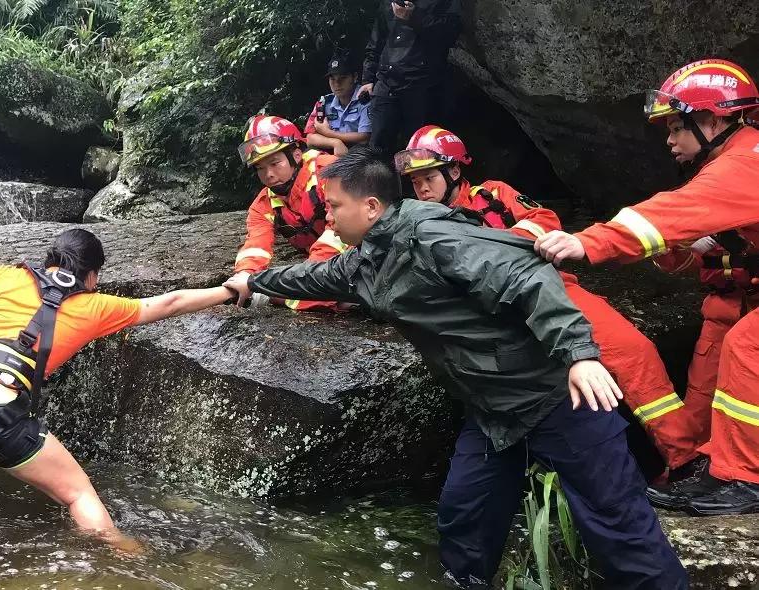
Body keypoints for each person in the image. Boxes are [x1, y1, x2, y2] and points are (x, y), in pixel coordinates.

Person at [225, 148, 688, 589]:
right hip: (490, 411)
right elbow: (314, 276)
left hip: (554, 398)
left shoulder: (435, 234)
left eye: (334, 205)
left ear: (369, 207)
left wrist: (580, 354)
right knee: (465, 515)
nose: (327, 216)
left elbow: (528, 275)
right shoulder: (368, 258)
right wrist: (254, 280)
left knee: (616, 523)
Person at [0, 228, 238, 547]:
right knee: (78, 494)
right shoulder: (95, 305)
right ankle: (125, 559)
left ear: (49, 260)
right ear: (91, 275)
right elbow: (169, 303)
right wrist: (230, 290)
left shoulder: (7, 276)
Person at [394, 124, 700, 480]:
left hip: (550, 291)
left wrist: (503, 248)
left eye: (428, 177)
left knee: (634, 352)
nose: (422, 188)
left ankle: (685, 460)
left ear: (455, 170)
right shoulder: (416, 219)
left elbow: (544, 219)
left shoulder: (491, 195)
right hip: (489, 315)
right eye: (415, 182)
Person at [533, 58, 759, 516]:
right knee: (712, 367)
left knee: (747, 345)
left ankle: (744, 480)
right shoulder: (736, 164)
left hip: (745, 305)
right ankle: (705, 465)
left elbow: (668, 214)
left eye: (677, 126)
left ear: (714, 118)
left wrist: (586, 241)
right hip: (738, 297)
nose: (669, 140)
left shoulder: (744, 164)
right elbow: (695, 237)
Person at [234, 114, 348, 311]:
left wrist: (305, 277)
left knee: (324, 296)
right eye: (260, 168)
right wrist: (244, 276)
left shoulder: (330, 172)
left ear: (296, 155)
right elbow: (256, 245)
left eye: (275, 163)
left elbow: (341, 232)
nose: (268, 174)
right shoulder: (263, 204)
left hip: (356, 252)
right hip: (320, 265)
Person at [359, 0, 462, 157]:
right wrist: (368, 79)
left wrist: (414, 17)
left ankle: (416, 181)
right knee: (377, 149)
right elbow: (376, 41)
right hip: (386, 82)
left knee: (420, 151)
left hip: (423, 87)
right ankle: (377, 181)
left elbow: (449, 34)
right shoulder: (388, 3)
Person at [304, 53, 372, 155]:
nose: (337, 83)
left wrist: (327, 133)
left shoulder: (365, 99)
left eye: (343, 78)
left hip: (361, 157)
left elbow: (364, 138)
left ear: (355, 77)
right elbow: (310, 138)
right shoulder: (323, 103)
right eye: (332, 79)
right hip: (333, 155)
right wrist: (335, 142)